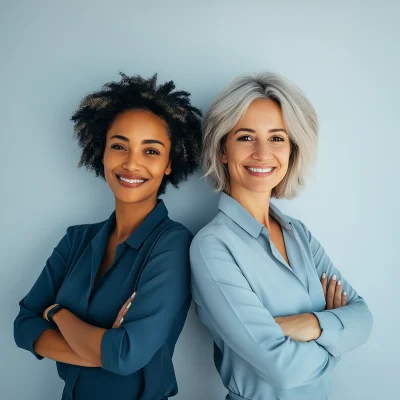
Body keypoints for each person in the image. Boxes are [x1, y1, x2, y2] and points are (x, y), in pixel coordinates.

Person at [14, 72, 202, 400]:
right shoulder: (76, 240)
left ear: (169, 164)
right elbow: (24, 325)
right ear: (102, 153)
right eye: (119, 146)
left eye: (151, 151)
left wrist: (56, 313)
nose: (131, 163)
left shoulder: (172, 244)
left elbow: (126, 354)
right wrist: (100, 352)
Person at [190, 72, 373, 400]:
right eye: (246, 137)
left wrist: (305, 323)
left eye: (277, 138)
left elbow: (363, 318)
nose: (262, 153)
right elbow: (282, 370)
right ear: (222, 149)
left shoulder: (298, 234)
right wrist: (334, 334)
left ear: (291, 150)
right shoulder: (212, 247)